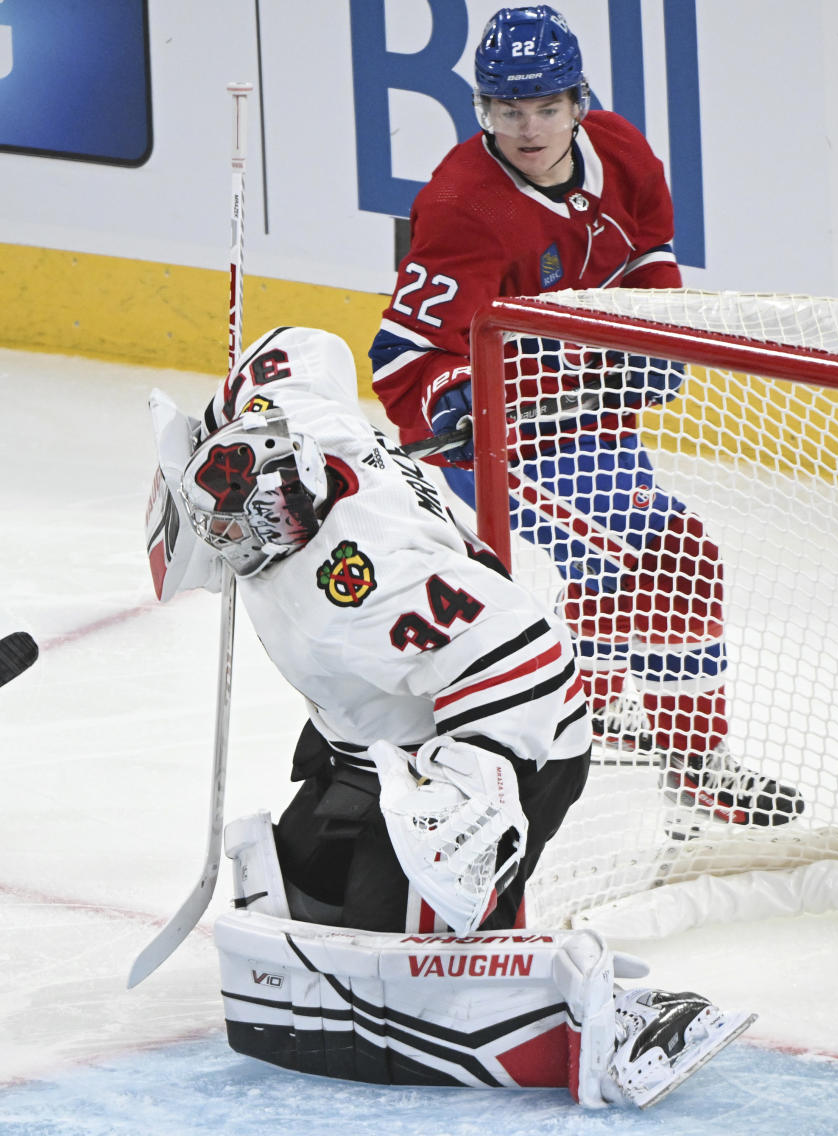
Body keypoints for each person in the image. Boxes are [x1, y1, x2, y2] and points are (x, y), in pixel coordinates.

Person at [156, 322, 755, 1108]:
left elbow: (531, 662)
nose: (238, 552)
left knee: (407, 982)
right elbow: (302, 344)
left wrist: (463, 808)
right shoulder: (298, 419)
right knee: (300, 917)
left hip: (499, 741)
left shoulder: (363, 584)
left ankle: (615, 1026)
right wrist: (218, 418)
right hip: (372, 732)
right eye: (224, 533)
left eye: (255, 536)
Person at [369, 4, 803, 827]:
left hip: (592, 412)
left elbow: (647, 252)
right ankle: (698, 764)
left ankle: (596, 707)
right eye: (506, 108)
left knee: (610, 560)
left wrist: (657, 333)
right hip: (500, 441)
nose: (527, 128)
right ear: (482, 109)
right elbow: (401, 357)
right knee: (673, 553)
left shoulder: (623, 149)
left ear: (578, 101)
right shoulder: (463, 205)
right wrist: (462, 400)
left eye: (545, 106)